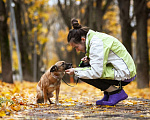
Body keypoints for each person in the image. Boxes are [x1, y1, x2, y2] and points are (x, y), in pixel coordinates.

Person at [65, 18, 136, 106]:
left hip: (125, 73)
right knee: (84, 67)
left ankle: (115, 92)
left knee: (81, 72)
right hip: (120, 69)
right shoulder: (94, 39)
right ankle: (108, 93)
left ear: (83, 39)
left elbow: (97, 72)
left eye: (76, 47)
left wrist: (75, 71)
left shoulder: (96, 43)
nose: (77, 50)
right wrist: (89, 60)